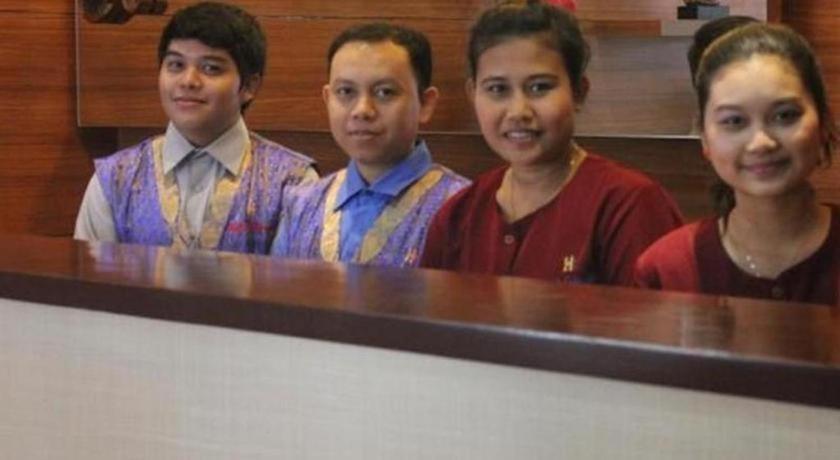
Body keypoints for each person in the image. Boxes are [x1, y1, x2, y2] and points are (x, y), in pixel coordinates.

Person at [420, 0, 682, 285]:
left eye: (539, 87)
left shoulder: (628, 204)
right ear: (473, 95)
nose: (518, 111)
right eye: (497, 89)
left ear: (579, 92)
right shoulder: (458, 215)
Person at [74, 1, 316, 254]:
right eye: (176, 65)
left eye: (211, 68)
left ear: (249, 86)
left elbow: (298, 278)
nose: (188, 81)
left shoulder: (293, 184)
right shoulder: (113, 180)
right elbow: (87, 278)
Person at [634, 23, 840, 304]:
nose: (761, 142)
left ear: (824, 123)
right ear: (705, 138)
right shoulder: (667, 269)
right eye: (734, 121)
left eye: (785, 115)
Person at [270, 23, 469, 267]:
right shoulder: (302, 202)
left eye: (385, 92)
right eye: (346, 91)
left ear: (426, 104)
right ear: (327, 99)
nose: (362, 110)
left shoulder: (463, 208)